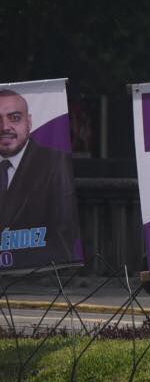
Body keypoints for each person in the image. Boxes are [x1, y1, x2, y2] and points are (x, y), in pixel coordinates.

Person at [0, 88, 81, 268]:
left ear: (28, 122)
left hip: (38, 275)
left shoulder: (55, 162)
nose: (5, 127)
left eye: (14, 118)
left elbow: (64, 230)